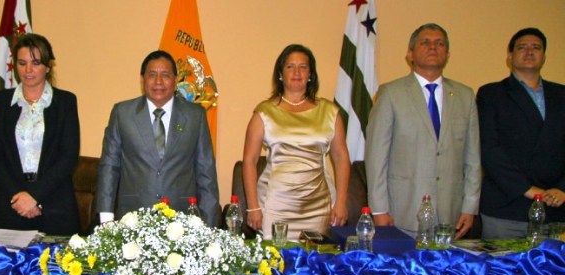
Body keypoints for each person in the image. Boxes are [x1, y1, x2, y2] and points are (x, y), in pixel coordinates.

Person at [365, 23, 481, 239]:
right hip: (403, 212)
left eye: (440, 44)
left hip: (451, 214)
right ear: (410, 53)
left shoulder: (465, 96)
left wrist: (470, 206)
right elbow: (376, 157)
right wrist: (379, 210)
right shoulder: (391, 94)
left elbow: (473, 159)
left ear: (447, 54)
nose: (433, 47)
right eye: (425, 42)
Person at [96, 50, 219, 227]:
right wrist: (106, 220)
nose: (158, 81)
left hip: (182, 221)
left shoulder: (195, 116)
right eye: (152, 75)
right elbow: (109, 167)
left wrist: (209, 227)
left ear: (176, 81)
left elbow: (206, 173)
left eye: (165, 75)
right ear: (142, 80)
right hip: (132, 219)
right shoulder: (122, 113)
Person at [242, 44, 350, 239]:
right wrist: (252, 206)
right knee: (274, 265)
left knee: (314, 264)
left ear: (311, 74)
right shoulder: (265, 111)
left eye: (303, 66)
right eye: (290, 66)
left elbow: (341, 157)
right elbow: (249, 161)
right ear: (281, 73)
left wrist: (341, 201)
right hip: (275, 204)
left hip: (317, 205)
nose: (297, 72)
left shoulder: (329, 111)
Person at [0, 33, 81, 236]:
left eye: (35, 63)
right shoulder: (2, 101)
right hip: (12, 204)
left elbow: (69, 156)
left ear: (47, 66)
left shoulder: (65, 102)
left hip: (55, 205)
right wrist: (19, 197)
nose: (28, 70)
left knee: (56, 267)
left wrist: (35, 196)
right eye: (22, 63)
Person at [477, 28, 565, 238]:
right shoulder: (491, 94)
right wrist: (527, 189)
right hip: (507, 206)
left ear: (544, 56)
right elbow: (489, 149)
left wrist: (562, 189)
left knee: (550, 270)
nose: (529, 51)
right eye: (522, 47)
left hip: (554, 207)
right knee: (502, 270)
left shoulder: (561, 95)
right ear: (510, 56)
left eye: (536, 47)